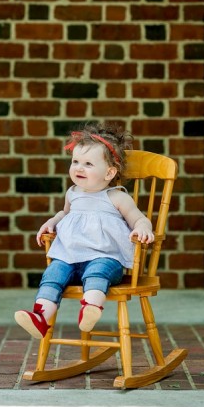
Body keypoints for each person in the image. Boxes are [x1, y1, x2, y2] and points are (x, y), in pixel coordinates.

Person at [14, 123, 154, 339]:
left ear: (109, 172)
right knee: (52, 275)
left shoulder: (117, 197)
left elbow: (138, 219)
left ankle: (91, 307)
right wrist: (52, 221)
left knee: (96, 273)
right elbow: (64, 214)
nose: (78, 168)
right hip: (69, 258)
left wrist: (143, 228)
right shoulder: (73, 194)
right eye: (75, 162)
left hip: (106, 259)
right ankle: (41, 317)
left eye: (88, 164)